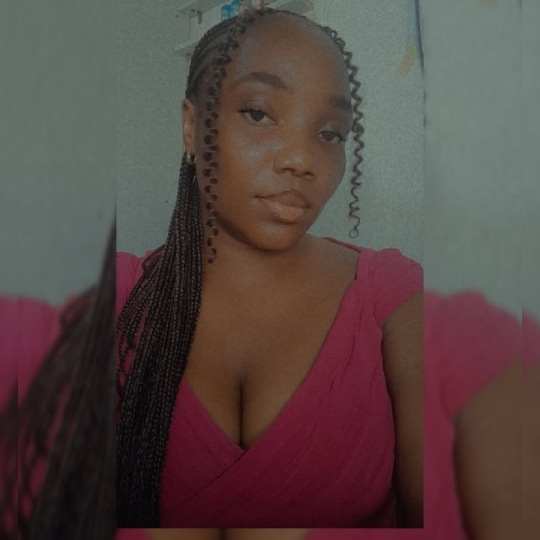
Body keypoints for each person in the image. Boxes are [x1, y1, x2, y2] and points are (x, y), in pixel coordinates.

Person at [115, 6, 423, 529]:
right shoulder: (117, 300)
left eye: (330, 133)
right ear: (191, 127)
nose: (302, 159)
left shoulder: (393, 298)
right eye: (259, 113)